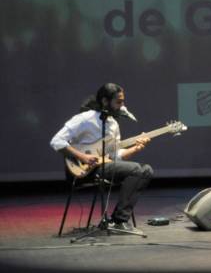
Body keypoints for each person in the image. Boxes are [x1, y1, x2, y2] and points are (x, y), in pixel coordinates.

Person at [50, 83, 152, 233]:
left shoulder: (113, 124)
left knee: (145, 170)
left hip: (103, 167)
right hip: (81, 170)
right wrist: (83, 156)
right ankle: (119, 221)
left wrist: (135, 148)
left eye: (122, 101)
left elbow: (115, 156)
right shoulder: (84, 119)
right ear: (105, 101)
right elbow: (57, 141)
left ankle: (117, 220)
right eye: (118, 102)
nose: (122, 106)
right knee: (138, 169)